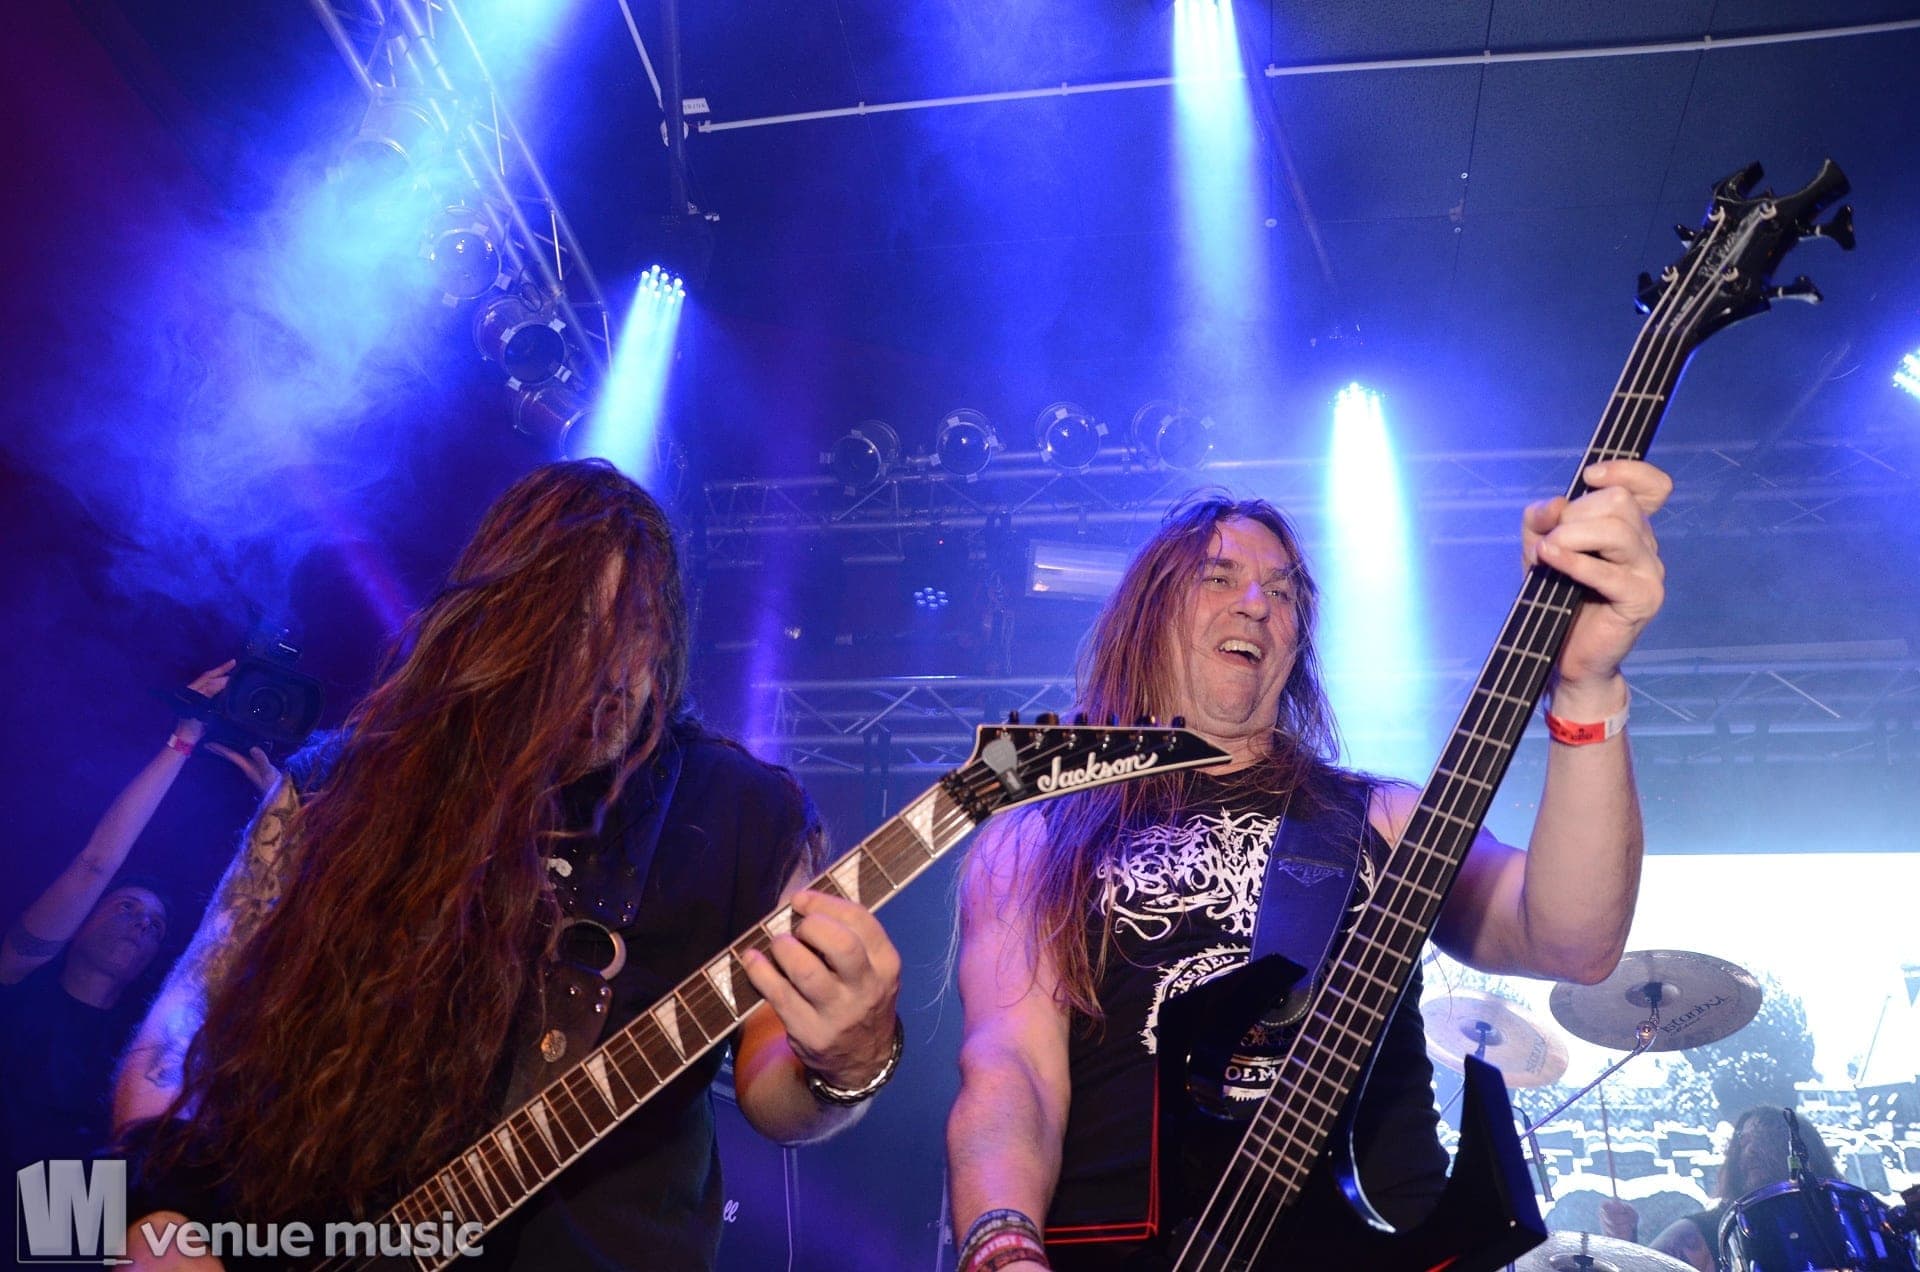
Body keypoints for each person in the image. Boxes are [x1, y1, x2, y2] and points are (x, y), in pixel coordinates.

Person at [111, 460, 903, 1270]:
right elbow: (186, 1019)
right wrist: (156, 1218)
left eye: (635, 627)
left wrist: (847, 1061)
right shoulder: (338, 788)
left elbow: (774, 1092)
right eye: (574, 627)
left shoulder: (740, 815)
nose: (613, 672)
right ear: (497, 627)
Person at [945, 461, 1671, 1271]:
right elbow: (1012, 1069)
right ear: (1148, 616)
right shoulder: (1041, 836)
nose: (1257, 603)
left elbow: (1572, 940)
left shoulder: (1384, 818)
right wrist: (1003, 1249)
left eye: (1284, 592)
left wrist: (1587, 687)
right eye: (1219, 577)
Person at [0, 661, 274, 1175]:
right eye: (127, 907)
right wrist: (183, 738)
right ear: (80, 923)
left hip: (88, 1213)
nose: (143, 924)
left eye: (156, 925)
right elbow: (95, 864)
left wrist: (278, 821)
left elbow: (236, 941)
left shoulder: (146, 1035)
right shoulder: (18, 985)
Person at [1599, 1106, 1843, 1271]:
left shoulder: (1843, 1216)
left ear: (1804, 1155)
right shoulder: (1707, 1229)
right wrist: (1625, 1246)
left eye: (1766, 1138)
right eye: (1743, 1142)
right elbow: (1644, 1266)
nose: (1751, 1150)